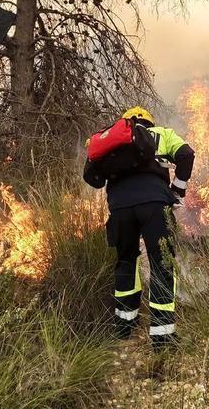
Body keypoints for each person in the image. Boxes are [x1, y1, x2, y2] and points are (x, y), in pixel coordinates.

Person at [83, 106, 195, 351]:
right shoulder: (162, 134)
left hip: (120, 209)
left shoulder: (110, 141)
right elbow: (186, 155)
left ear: (125, 124)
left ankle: (124, 328)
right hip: (155, 205)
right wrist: (177, 190)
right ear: (149, 123)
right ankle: (162, 336)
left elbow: (91, 177)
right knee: (162, 263)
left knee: (125, 262)